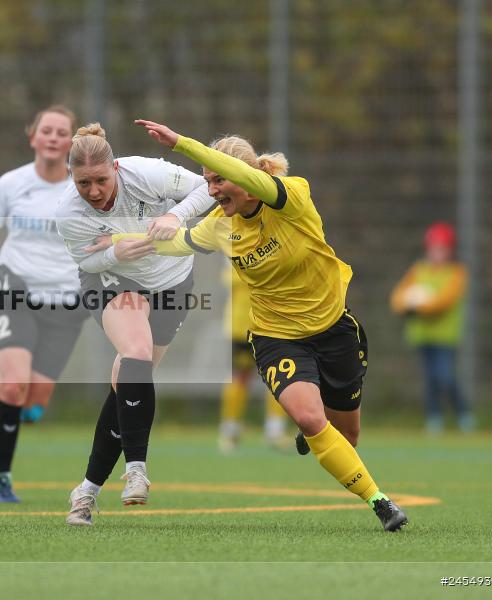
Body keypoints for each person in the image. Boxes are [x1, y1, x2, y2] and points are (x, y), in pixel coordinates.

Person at [107, 118, 408, 532]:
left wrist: (181, 143)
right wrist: (113, 241)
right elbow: (174, 243)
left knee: (348, 435)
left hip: (334, 329)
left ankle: (319, 433)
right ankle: (381, 502)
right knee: (308, 418)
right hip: (275, 336)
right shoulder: (220, 225)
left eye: (218, 180)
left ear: (245, 178)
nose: (211, 191)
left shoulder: (292, 197)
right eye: (207, 183)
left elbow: (251, 181)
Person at [56, 123, 215, 525]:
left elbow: (206, 187)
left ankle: (86, 491)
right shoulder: (69, 214)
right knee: (136, 352)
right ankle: (136, 469)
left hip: (173, 282)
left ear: (117, 169)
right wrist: (116, 255)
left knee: (125, 380)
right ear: (71, 177)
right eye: (83, 183)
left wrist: (177, 215)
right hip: (113, 281)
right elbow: (86, 261)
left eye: (101, 180)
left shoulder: (144, 173)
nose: (93, 192)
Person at [0, 105, 89, 503]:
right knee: (13, 384)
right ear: (33, 137)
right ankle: (1, 479)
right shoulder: (11, 183)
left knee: (33, 404)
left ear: (72, 141)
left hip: (67, 304)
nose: (53, 138)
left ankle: (3, 421)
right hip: (15, 297)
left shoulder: (83, 185)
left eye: (61, 133)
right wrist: (0, 270)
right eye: (46, 131)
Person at [390, 222, 472, 433]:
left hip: (445, 336)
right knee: (429, 379)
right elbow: (399, 296)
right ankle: (434, 418)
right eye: (433, 248)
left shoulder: (456, 273)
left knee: (445, 376)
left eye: (441, 249)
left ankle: (463, 414)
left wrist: (419, 307)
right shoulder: (419, 270)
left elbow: (444, 301)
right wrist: (404, 306)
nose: (436, 253)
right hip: (422, 336)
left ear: (450, 250)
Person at [219, 266, 288, 452]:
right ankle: (230, 430)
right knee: (240, 377)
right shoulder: (236, 246)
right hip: (243, 325)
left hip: (269, 325)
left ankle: (275, 430)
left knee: (278, 376)